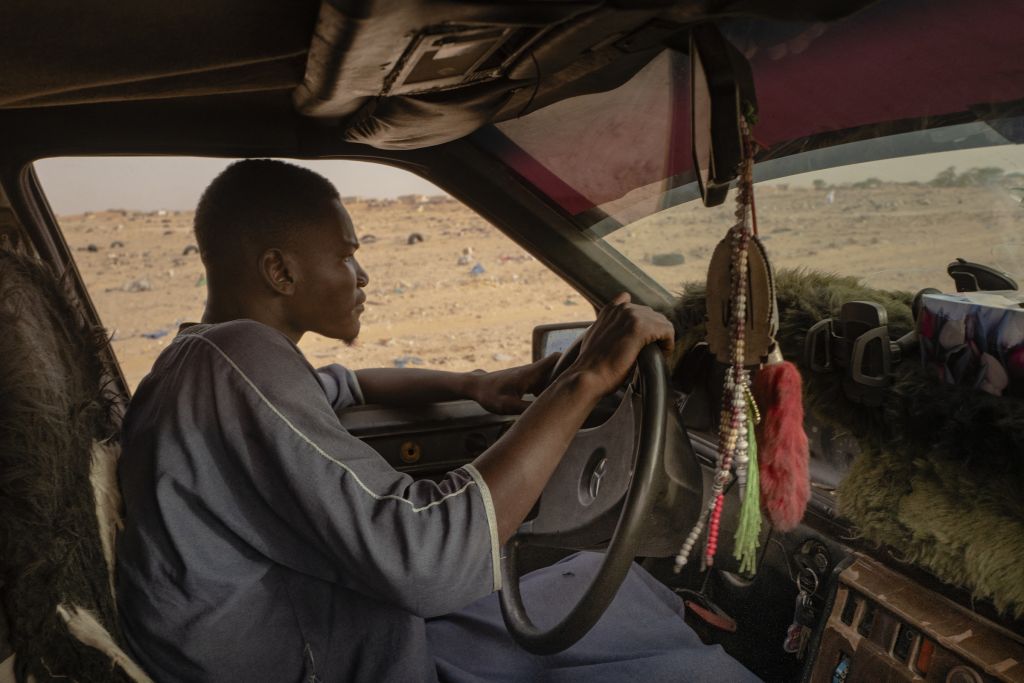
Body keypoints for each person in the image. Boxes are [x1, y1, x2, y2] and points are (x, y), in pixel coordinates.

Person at [115, 159, 759, 682]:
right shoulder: (238, 361)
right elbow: (427, 561)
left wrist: (479, 385)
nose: (361, 275)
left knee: (607, 596)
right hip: (311, 656)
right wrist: (584, 382)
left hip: (326, 625)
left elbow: (351, 386)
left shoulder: (208, 360)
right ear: (280, 270)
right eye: (345, 256)